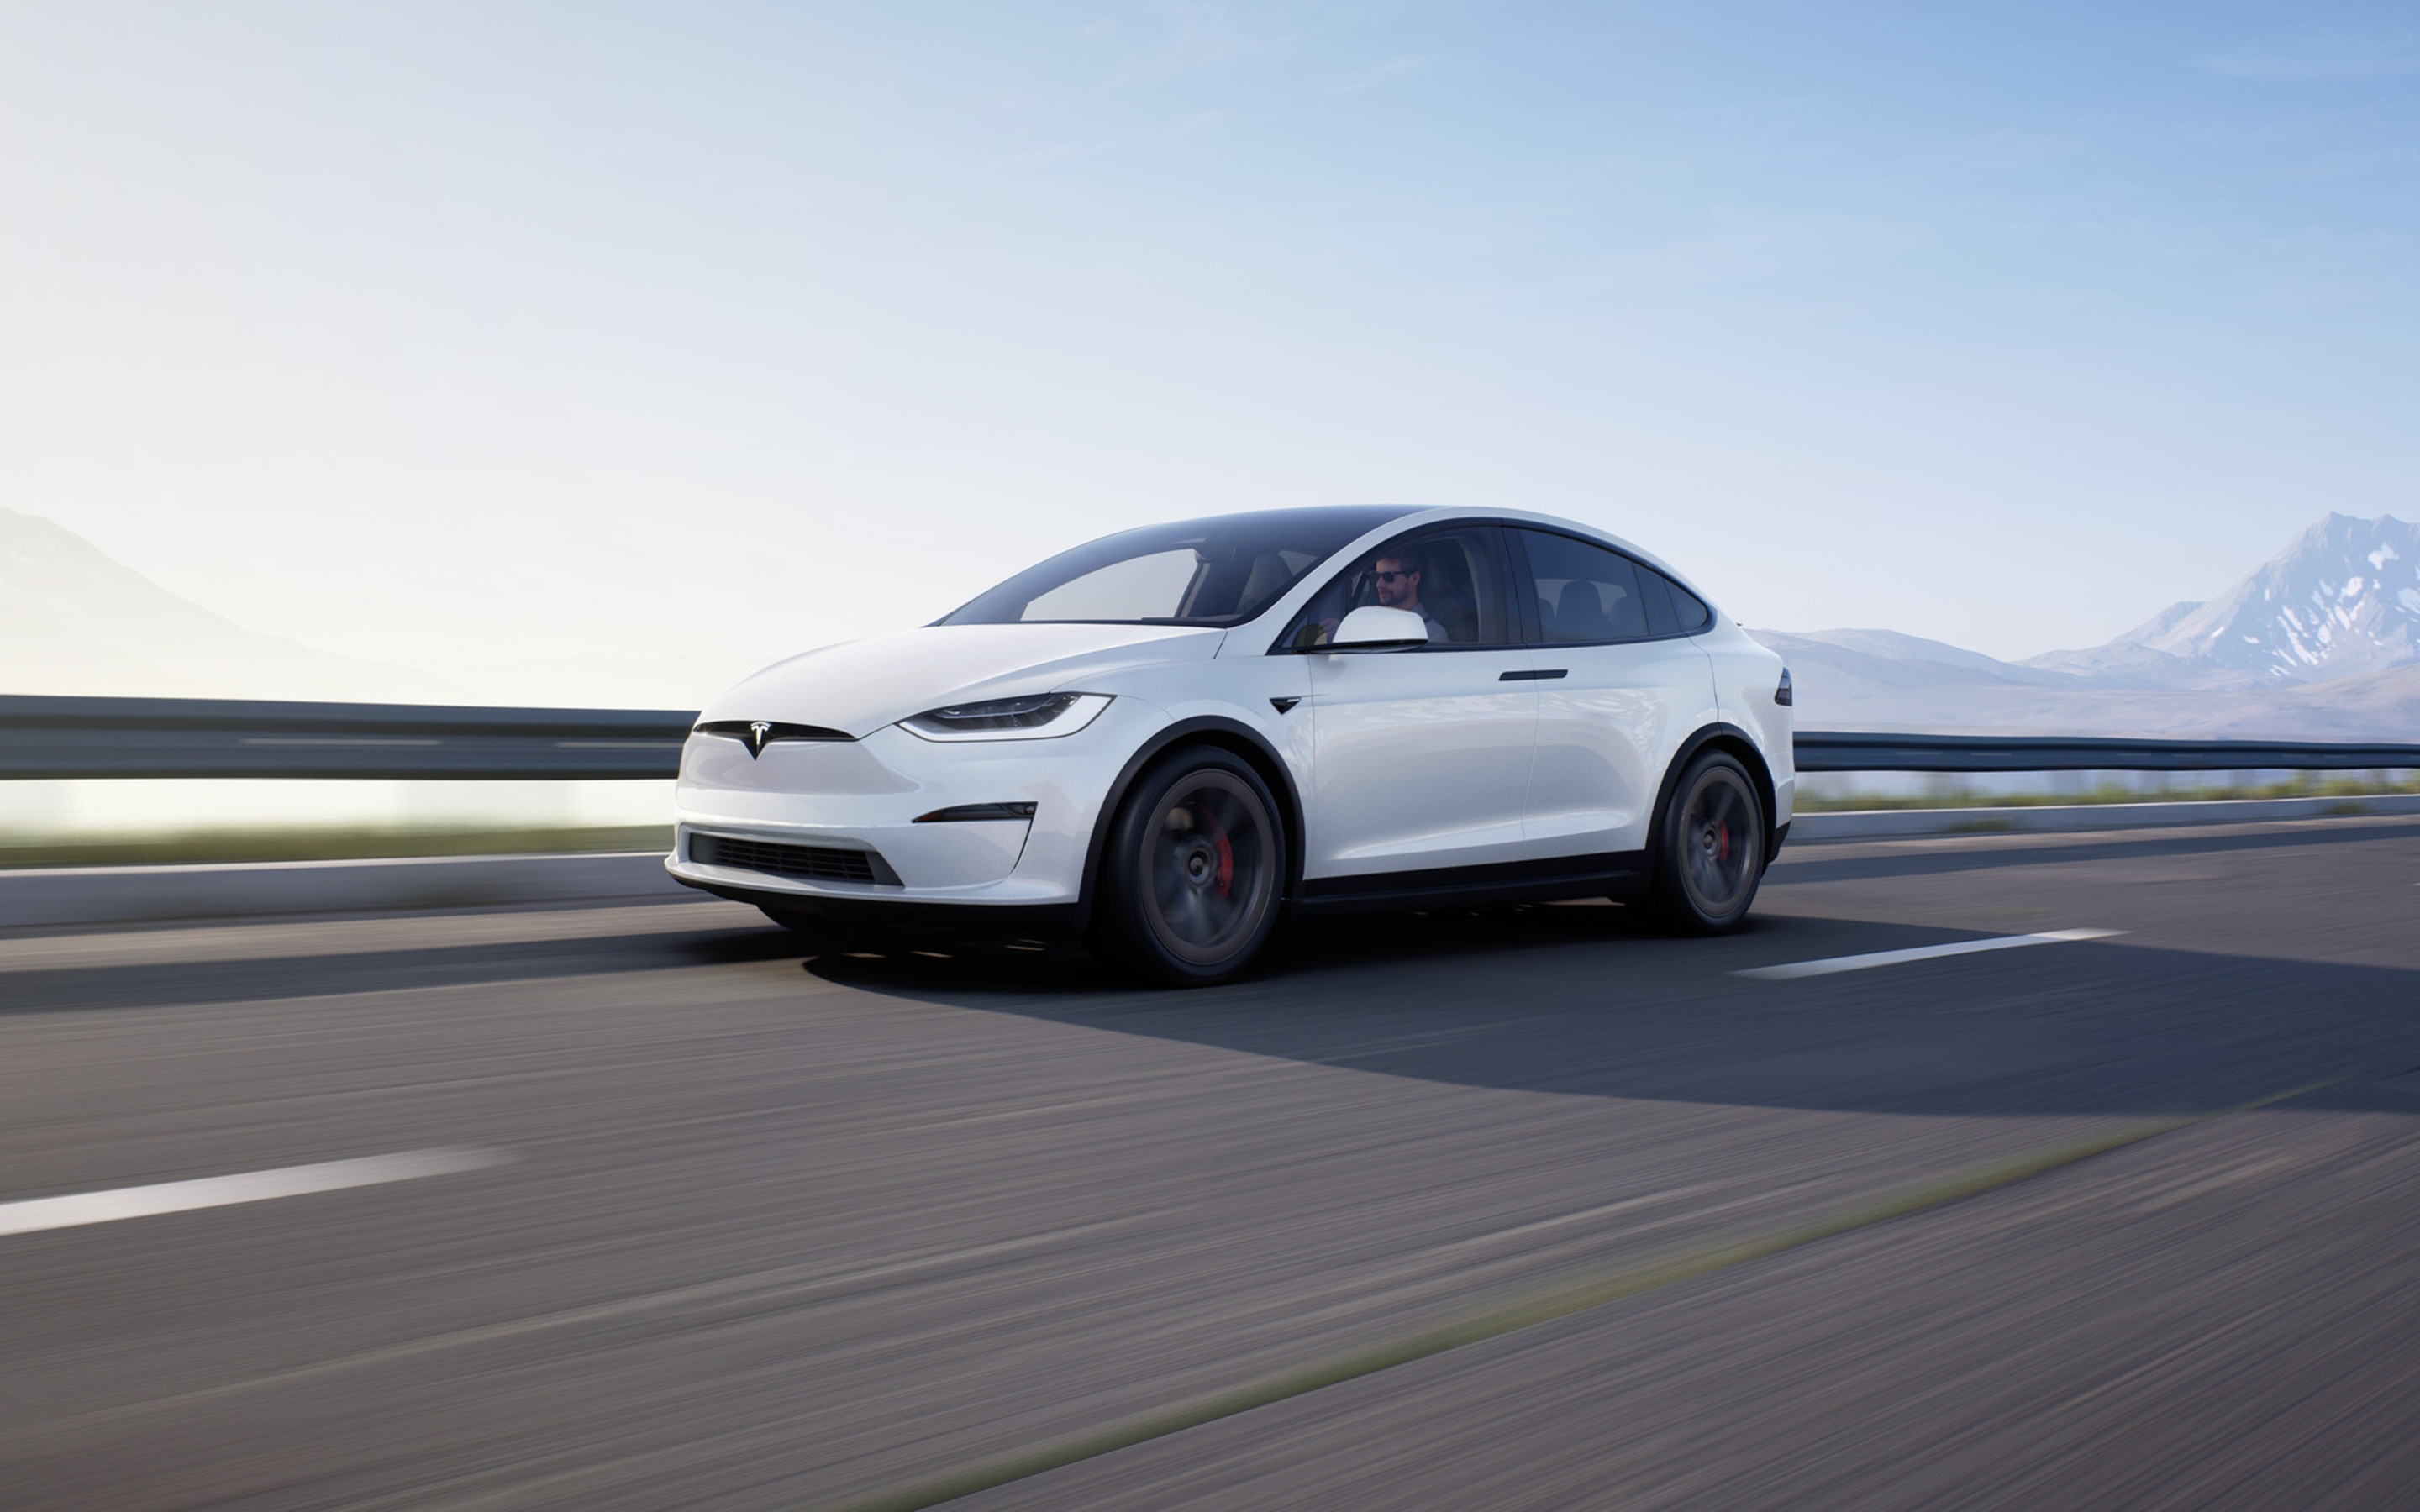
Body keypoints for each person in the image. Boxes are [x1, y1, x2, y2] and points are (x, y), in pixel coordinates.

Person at [1372, 548, 1451, 643]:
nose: (1379, 584)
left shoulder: (1430, 634)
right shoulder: (1374, 622)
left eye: (1389, 576)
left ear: (1414, 578)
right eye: (1376, 576)